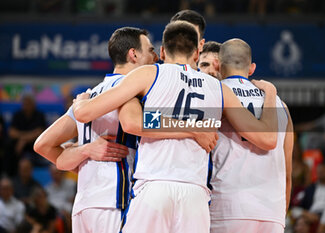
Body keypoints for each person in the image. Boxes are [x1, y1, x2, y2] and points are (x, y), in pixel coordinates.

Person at [73, 21, 278, 233]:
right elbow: (268, 139)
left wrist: (80, 102)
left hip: (154, 186)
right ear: (197, 53)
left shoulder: (149, 74)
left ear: (162, 51)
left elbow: (110, 118)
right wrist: (270, 93)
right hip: (195, 195)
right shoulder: (218, 88)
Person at [34, 26, 215, 233]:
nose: (156, 57)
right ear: (133, 54)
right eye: (150, 50)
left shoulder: (89, 96)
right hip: (115, 201)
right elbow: (138, 121)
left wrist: (84, 150)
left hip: (84, 205)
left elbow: (43, 145)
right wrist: (194, 127)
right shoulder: (130, 91)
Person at [207, 38, 293, 233]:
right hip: (272, 212)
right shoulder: (281, 105)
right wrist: (280, 214)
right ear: (251, 68)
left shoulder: (214, 95)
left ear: (217, 65)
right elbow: (288, 173)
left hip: (228, 207)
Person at [5, 94, 46, 176]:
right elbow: (12, 132)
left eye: (28, 104)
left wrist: (23, 139)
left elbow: (40, 132)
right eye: (24, 104)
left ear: (33, 104)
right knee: (9, 147)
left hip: (34, 146)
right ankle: (9, 175)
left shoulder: (39, 115)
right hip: (19, 147)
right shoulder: (18, 115)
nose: (26, 106)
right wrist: (25, 137)